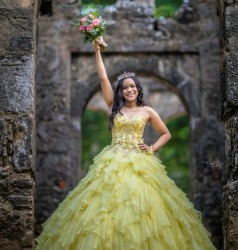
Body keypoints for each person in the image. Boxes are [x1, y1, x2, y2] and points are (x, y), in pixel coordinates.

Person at [35, 43, 217, 250]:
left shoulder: (148, 111)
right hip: (112, 162)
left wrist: (151, 148)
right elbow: (103, 78)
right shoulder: (115, 107)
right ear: (121, 91)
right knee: (105, 209)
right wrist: (96, 51)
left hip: (140, 163)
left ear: (138, 89)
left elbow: (166, 134)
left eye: (133, 86)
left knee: (143, 209)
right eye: (125, 87)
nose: (129, 89)